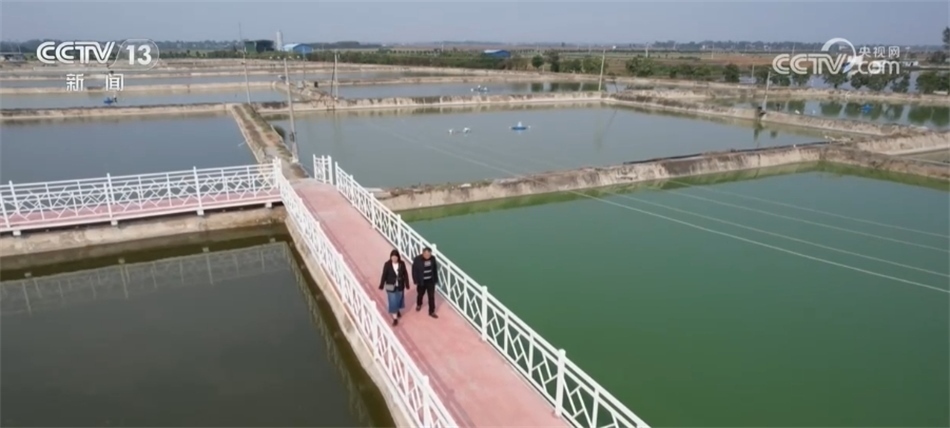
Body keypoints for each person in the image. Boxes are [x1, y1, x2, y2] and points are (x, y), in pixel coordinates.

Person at [379, 249, 409, 326]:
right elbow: (384, 274)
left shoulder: (402, 264)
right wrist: (381, 284)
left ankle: (397, 310)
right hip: (390, 286)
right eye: (392, 257)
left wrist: (407, 284)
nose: (394, 259)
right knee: (392, 301)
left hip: (400, 285)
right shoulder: (387, 264)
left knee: (398, 300)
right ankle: (395, 319)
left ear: (398, 257)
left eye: (395, 257)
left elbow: (405, 274)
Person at [412, 246, 439, 318]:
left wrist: (436, 279)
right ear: (423, 253)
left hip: (430, 281)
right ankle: (419, 304)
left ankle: (431, 311)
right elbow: (414, 270)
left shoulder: (433, 259)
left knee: (431, 296)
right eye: (426, 254)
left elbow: (434, 269)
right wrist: (415, 280)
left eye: (429, 254)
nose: (427, 256)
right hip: (421, 281)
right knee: (420, 294)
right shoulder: (417, 259)